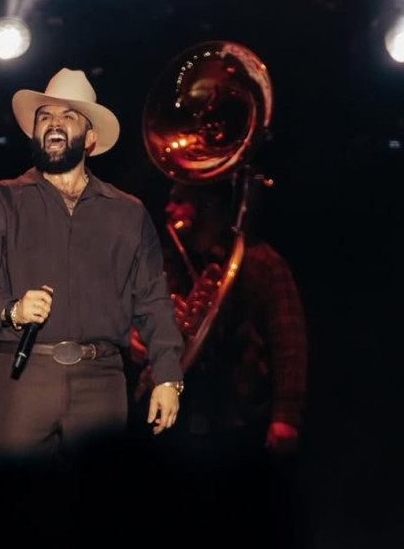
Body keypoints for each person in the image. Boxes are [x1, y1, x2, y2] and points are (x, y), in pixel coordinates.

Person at [0, 68, 185, 471]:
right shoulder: (1, 199)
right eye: (45, 117)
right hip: (22, 378)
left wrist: (167, 376)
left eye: (68, 116)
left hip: (101, 379)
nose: (54, 123)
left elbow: (152, 298)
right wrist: (10, 309)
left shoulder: (127, 213)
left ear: (89, 138)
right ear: (34, 132)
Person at [130, 178, 309, 547]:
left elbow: (289, 341)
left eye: (180, 201)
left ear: (207, 206)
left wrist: (286, 417)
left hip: (238, 423)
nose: (168, 209)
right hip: (179, 424)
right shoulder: (167, 263)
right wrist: (135, 339)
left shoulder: (260, 262)